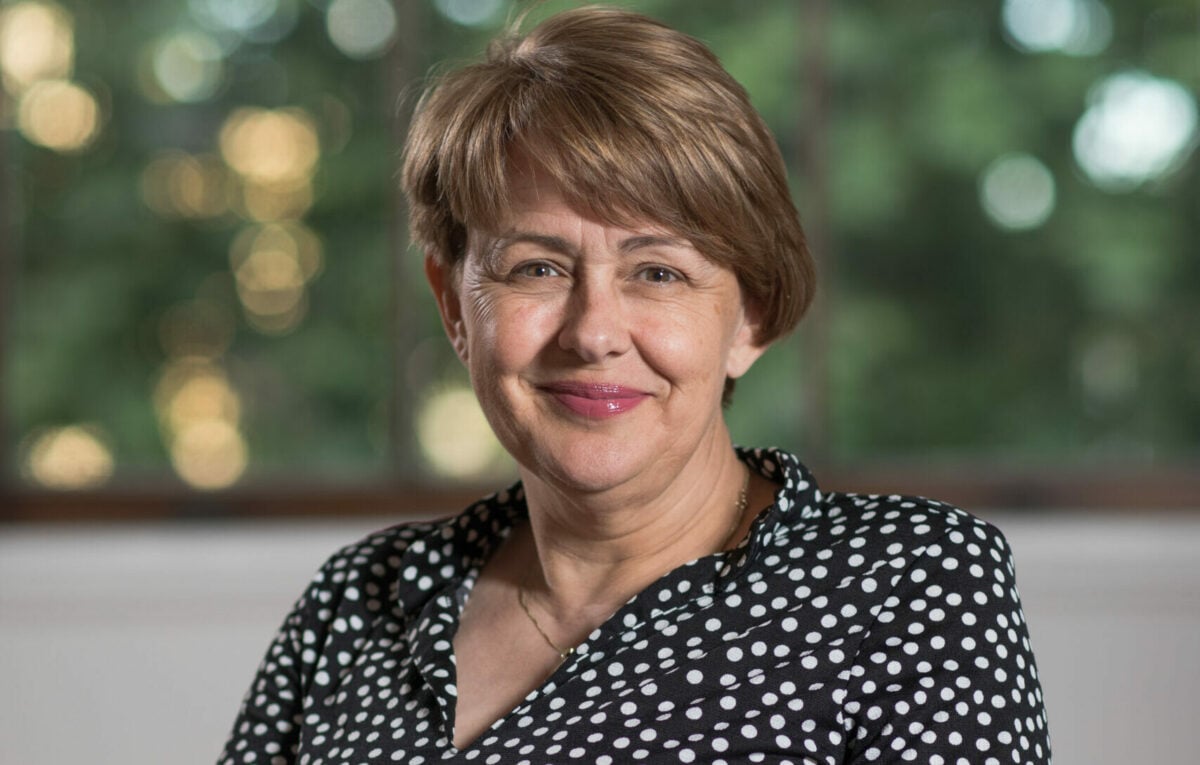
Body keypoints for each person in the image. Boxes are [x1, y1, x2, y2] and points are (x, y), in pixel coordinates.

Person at [218, 6, 1050, 763]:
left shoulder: (912, 588)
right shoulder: (359, 600)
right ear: (454, 306)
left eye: (658, 272)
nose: (594, 331)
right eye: (537, 267)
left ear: (750, 316)